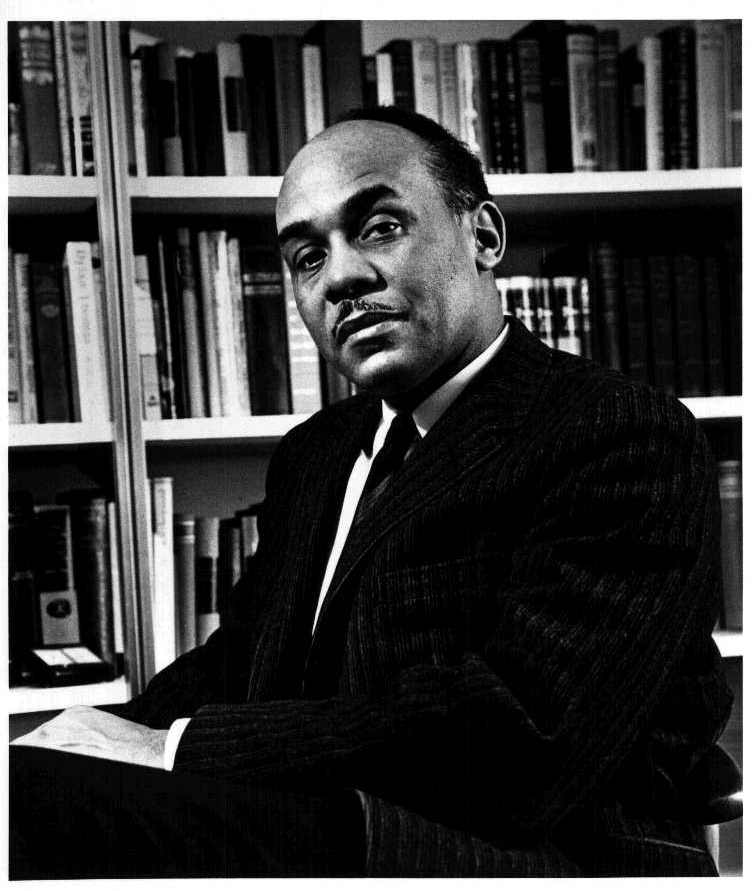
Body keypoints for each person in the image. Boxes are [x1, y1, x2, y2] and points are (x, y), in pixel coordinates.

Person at [10, 106, 732, 878]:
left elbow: (525, 732)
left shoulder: (622, 433)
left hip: (539, 850)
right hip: (327, 816)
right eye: (307, 257)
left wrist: (174, 748)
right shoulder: (316, 453)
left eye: (381, 227)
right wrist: (88, 734)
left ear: (484, 237)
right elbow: (237, 660)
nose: (341, 277)